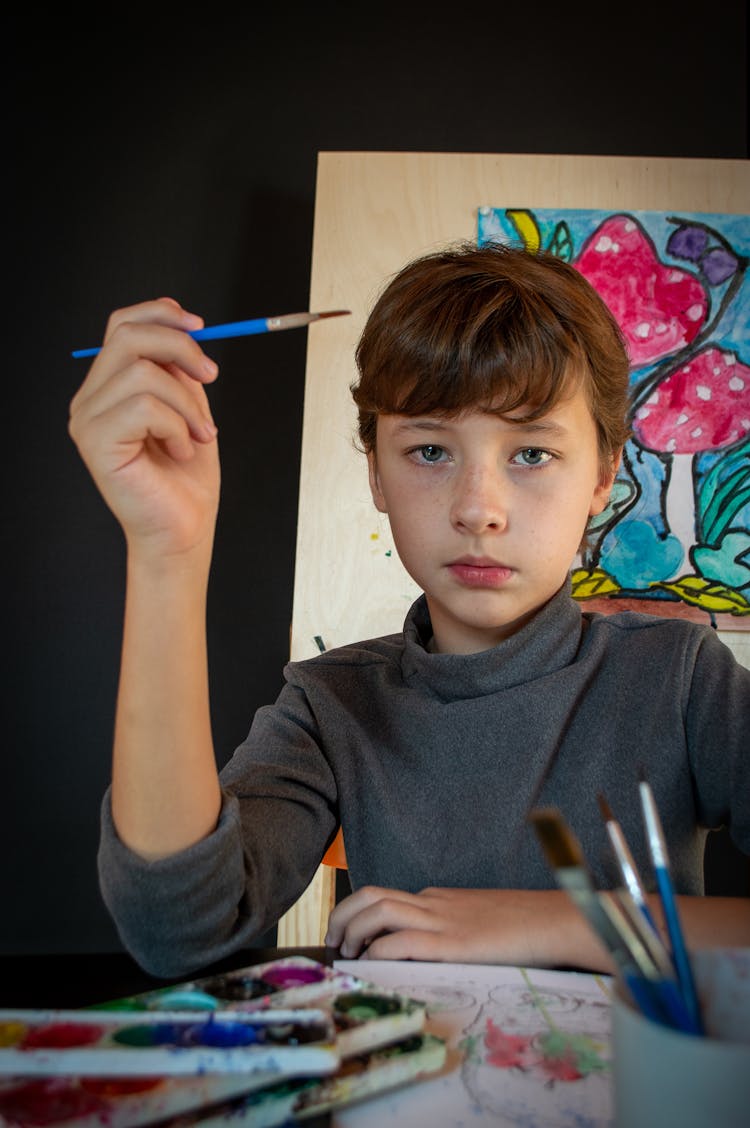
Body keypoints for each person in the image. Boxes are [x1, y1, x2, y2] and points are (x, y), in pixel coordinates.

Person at [69, 243, 750, 979]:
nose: (477, 509)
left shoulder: (681, 680)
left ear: (603, 477)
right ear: (377, 475)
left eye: (531, 454)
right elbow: (178, 928)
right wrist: (166, 552)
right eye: (429, 450)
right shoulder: (331, 702)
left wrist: (540, 922)